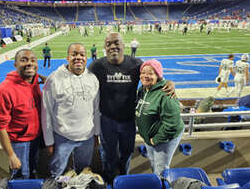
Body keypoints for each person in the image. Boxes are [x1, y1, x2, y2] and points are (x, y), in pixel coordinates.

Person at [88, 32, 175, 185]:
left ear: (123, 45)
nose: (113, 46)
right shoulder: (96, 66)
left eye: (116, 43)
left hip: (129, 120)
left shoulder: (136, 64)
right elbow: (78, 79)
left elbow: (154, 77)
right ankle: (109, 180)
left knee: (127, 153)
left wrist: (168, 83)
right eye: (109, 44)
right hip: (107, 120)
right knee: (108, 154)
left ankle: (123, 178)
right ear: (104, 47)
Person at [41, 43, 100, 177]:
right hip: (62, 137)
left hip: (87, 137)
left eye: (82, 54)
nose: (78, 57)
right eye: (74, 54)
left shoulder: (93, 78)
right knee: (58, 174)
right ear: (67, 57)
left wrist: (96, 133)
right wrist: (49, 141)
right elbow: (46, 113)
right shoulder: (53, 79)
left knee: (84, 174)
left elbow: (96, 109)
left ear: (86, 58)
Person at [0, 49, 44, 179]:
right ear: (15, 65)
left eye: (33, 60)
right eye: (24, 60)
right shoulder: (4, 90)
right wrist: (11, 155)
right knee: (21, 176)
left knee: (32, 171)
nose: (29, 63)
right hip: (19, 143)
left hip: (35, 138)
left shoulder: (33, 79)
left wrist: (45, 78)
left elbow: (34, 75)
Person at [135, 59, 184, 176]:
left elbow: (172, 124)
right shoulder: (142, 89)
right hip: (150, 138)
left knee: (161, 170)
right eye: (143, 72)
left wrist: (156, 139)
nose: (145, 76)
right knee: (154, 164)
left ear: (158, 75)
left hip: (163, 139)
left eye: (150, 73)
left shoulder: (166, 94)